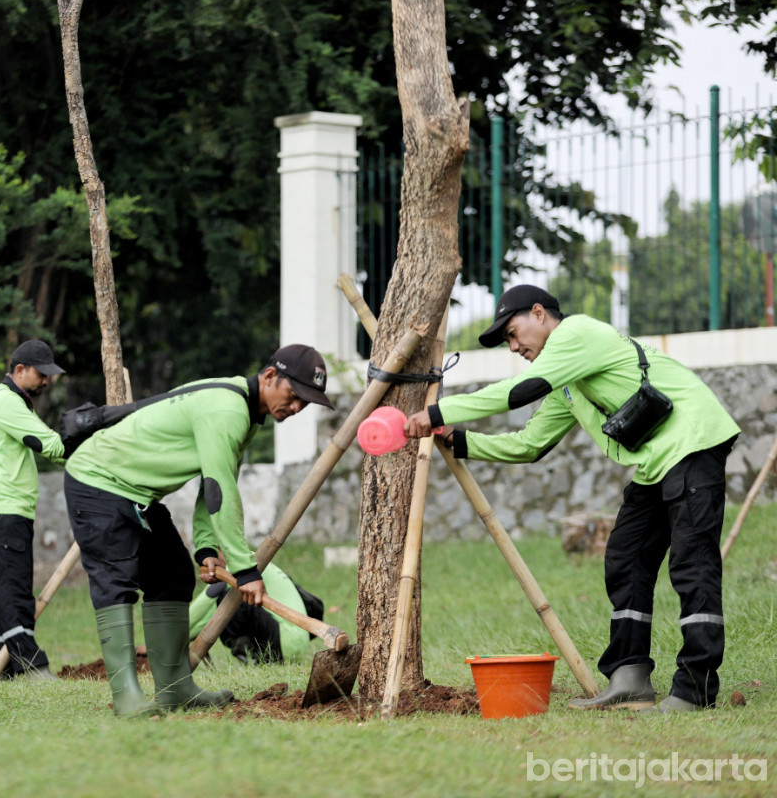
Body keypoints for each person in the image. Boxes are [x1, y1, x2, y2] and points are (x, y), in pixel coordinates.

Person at [404, 285, 740, 713]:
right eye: (507, 341)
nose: (514, 347)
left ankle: (695, 690)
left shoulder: (575, 334)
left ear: (539, 313)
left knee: (692, 565)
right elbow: (530, 444)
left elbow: (518, 391)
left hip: (694, 440)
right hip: (658, 461)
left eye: (512, 333)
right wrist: (460, 441)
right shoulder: (567, 382)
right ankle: (630, 678)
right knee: (626, 557)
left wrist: (437, 412)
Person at [64, 344, 334, 717]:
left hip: (136, 493)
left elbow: (216, 483)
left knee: (173, 573)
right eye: (294, 394)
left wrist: (207, 548)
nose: (297, 407)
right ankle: (126, 696)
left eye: (306, 402)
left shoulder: (246, 412)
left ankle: (175, 688)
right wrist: (245, 569)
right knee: (115, 581)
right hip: (98, 481)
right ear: (271, 376)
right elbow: (220, 490)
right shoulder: (228, 409)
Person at [0, 340, 68, 680]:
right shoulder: (6, 403)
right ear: (20, 369)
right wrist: (93, 453)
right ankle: (31, 665)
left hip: (8, 511)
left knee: (4, 591)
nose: (46, 381)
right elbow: (50, 445)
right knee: (12, 592)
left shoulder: (13, 401)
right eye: (42, 374)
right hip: (0, 511)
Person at [187, 562, 324, 664]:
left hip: (283, 644)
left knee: (230, 597)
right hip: (297, 646)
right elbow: (210, 614)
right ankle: (250, 653)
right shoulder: (260, 560)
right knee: (232, 596)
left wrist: (179, 633)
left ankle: (246, 651)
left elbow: (207, 599)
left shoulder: (239, 564)